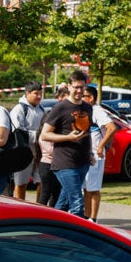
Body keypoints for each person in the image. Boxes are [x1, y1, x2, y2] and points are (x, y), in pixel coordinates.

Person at [40, 72, 93, 217]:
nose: (79, 91)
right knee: (77, 204)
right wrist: (67, 137)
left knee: (64, 203)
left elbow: (87, 134)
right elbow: (45, 134)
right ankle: (78, 237)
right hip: (65, 163)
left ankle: (51, 230)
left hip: (83, 162)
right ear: (69, 86)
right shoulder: (60, 107)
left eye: (82, 87)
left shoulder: (88, 108)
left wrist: (91, 154)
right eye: (76, 87)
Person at [80, 86, 118, 222]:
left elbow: (112, 127)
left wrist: (101, 146)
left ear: (90, 98)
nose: (80, 96)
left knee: (93, 188)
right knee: (86, 189)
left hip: (95, 156)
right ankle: (86, 217)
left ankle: (93, 218)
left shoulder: (97, 111)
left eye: (83, 95)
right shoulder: (86, 110)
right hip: (85, 155)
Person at [10, 82, 47, 199]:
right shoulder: (19, 109)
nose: (39, 96)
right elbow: (17, 130)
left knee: (42, 182)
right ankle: (19, 211)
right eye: (36, 93)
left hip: (40, 152)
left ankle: (39, 209)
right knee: (21, 183)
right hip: (23, 152)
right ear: (27, 93)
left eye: (40, 93)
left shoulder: (41, 109)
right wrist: (37, 136)